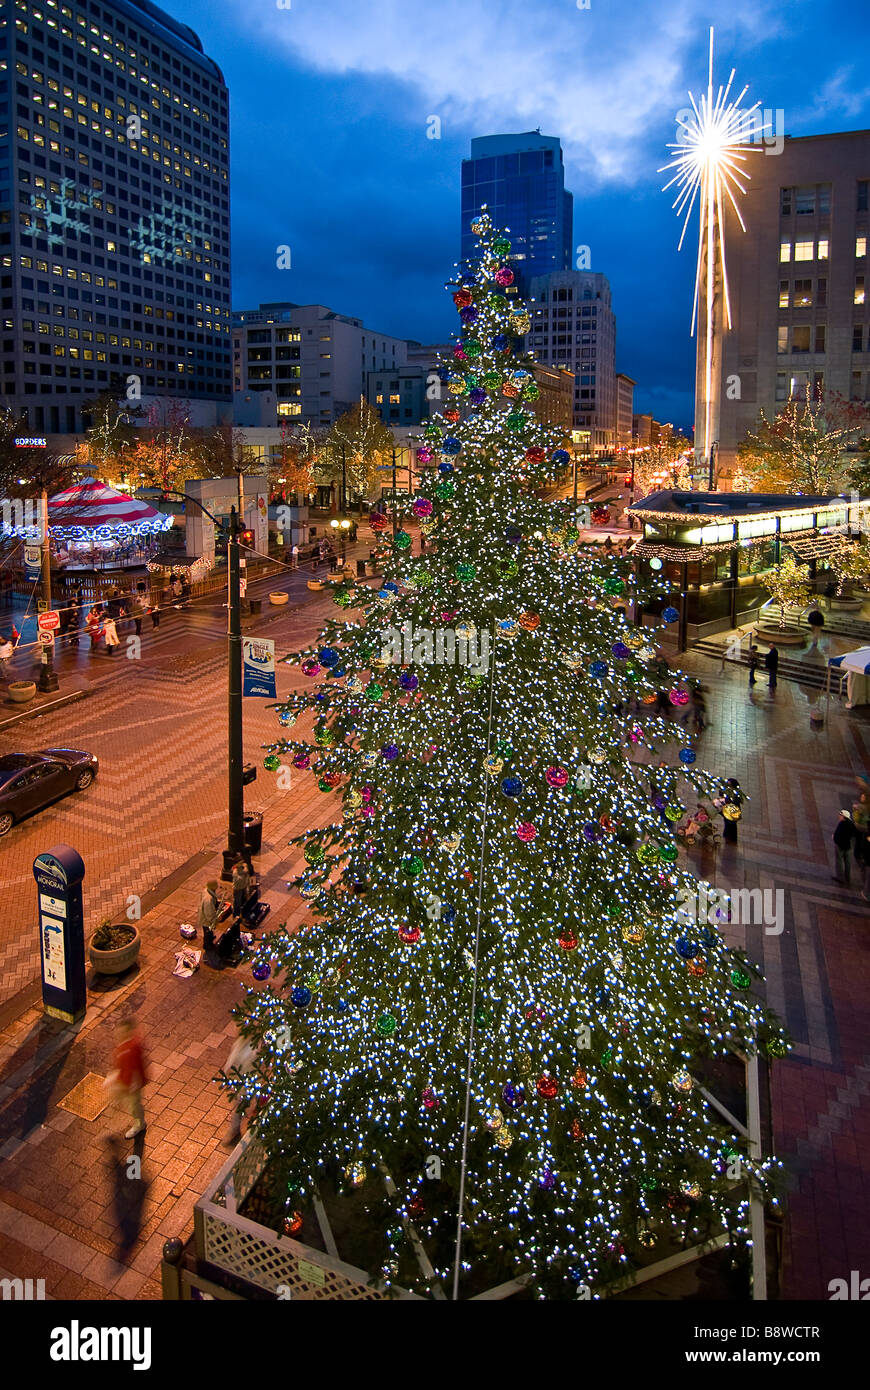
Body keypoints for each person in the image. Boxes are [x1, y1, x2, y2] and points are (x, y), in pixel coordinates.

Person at [113, 1017, 148, 1139]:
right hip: (127, 1081)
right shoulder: (124, 1045)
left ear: (129, 1032)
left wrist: (127, 1086)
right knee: (132, 1103)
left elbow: (134, 1070)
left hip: (132, 1085)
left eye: (122, 1032)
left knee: (134, 1106)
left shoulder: (131, 1048)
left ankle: (140, 1124)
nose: (118, 1034)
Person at [222, 1034, 260, 1145]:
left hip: (247, 1082)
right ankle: (235, 1130)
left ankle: (236, 1130)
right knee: (239, 1106)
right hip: (239, 1080)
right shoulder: (241, 1043)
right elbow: (232, 1059)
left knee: (241, 1106)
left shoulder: (253, 1046)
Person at [833, 810, 855, 886]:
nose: (839, 816)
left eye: (840, 815)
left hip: (840, 846)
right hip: (849, 847)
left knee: (839, 861)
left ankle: (840, 877)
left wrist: (835, 839)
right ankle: (847, 878)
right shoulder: (852, 825)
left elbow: (839, 834)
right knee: (847, 862)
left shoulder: (842, 824)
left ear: (844, 817)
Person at [718, 778, 743, 845]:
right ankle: (728, 836)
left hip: (732, 812)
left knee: (731, 825)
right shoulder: (727, 790)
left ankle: (731, 838)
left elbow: (735, 802)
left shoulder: (735, 793)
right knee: (727, 823)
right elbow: (721, 794)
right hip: (727, 811)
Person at [197, 878, 221, 947]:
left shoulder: (206, 891)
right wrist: (214, 920)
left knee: (208, 931)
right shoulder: (209, 899)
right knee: (207, 931)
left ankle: (210, 938)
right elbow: (209, 913)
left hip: (204, 914)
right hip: (206, 919)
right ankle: (208, 945)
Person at [852, 793, 869, 869]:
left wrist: (856, 807)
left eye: (863, 797)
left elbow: (856, 810)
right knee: (861, 840)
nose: (861, 798)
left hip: (861, 827)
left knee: (858, 841)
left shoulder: (862, 807)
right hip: (865, 827)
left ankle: (858, 854)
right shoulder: (866, 806)